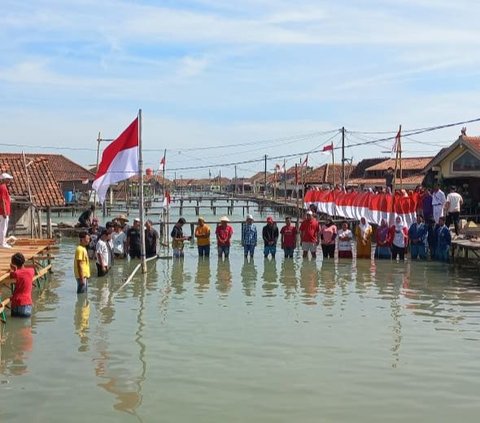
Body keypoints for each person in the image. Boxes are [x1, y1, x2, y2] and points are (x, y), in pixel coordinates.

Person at [9, 252, 35, 317]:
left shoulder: (16, 273)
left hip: (16, 302)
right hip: (26, 303)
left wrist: (14, 270)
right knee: (25, 325)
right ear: (23, 261)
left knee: (14, 324)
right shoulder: (31, 271)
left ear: (13, 264)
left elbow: (12, 275)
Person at [0, 172, 13, 248]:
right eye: (8, 179)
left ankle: (2, 242)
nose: (9, 181)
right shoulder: (3, 187)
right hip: (3, 212)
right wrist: (4, 212)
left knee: (2, 227)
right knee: (3, 228)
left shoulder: (3, 187)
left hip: (3, 211)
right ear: (4, 180)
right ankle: (2, 243)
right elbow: (2, 200)